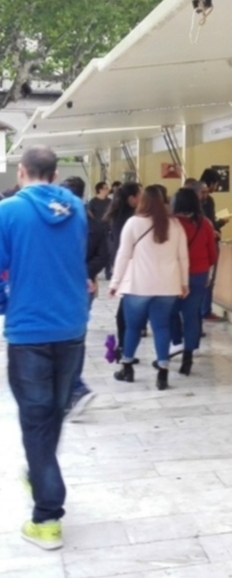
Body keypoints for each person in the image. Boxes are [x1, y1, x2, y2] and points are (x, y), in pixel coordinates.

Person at [0, 146, 88, 550]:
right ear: (53, 174)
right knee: (51, 414)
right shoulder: (77, 210)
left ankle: (47, 516)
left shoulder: (8, 212)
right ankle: (39, 473)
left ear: (22, 172)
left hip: (30, 332)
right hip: (72, 327)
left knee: (37, 421)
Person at [109, 185, 189, 390]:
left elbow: (123, 255)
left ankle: (127, 368)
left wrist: (115, 282)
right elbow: (183, 257)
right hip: (167, 286)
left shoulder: (133, 223)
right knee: (162, 327)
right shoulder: (175, 225)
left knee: (133, 327)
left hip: (138, 286)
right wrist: (184, 283)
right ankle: (162, 372)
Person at [61, 176, 109, 420]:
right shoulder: (94, 223)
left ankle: (73, 388)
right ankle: (73, 388)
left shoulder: (58, 221)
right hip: (85, 285)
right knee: (76, 335)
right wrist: (86, 273)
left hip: (62, 285)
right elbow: (103, 256)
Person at [170, 187, 217, 374]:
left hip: (174, 275)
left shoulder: (171, 224)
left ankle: (176, 342)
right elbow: (212, 254)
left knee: (171, 311)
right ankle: (188, 356)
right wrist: (208, 272)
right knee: (191, 315)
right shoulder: (205, 223)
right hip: (198, 274)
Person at [104, 181, 142, 356]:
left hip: (122, 262)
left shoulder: (118, 214)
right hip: (130, 264)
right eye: (140, 195)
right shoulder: (130, 218)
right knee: (126, 308)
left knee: (126, 305)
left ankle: (123, 345)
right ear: (131, 198)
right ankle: (124, 347)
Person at [199, 168, 230, 319]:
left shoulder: (192, 199)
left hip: (197, 247)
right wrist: (221, 222)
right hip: (209, 244)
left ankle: (200, 310)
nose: (215, 188)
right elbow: (210, 224)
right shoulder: (208, 200)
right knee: (209, 278)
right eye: (216, 184)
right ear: (211, 183)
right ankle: (205, 310)